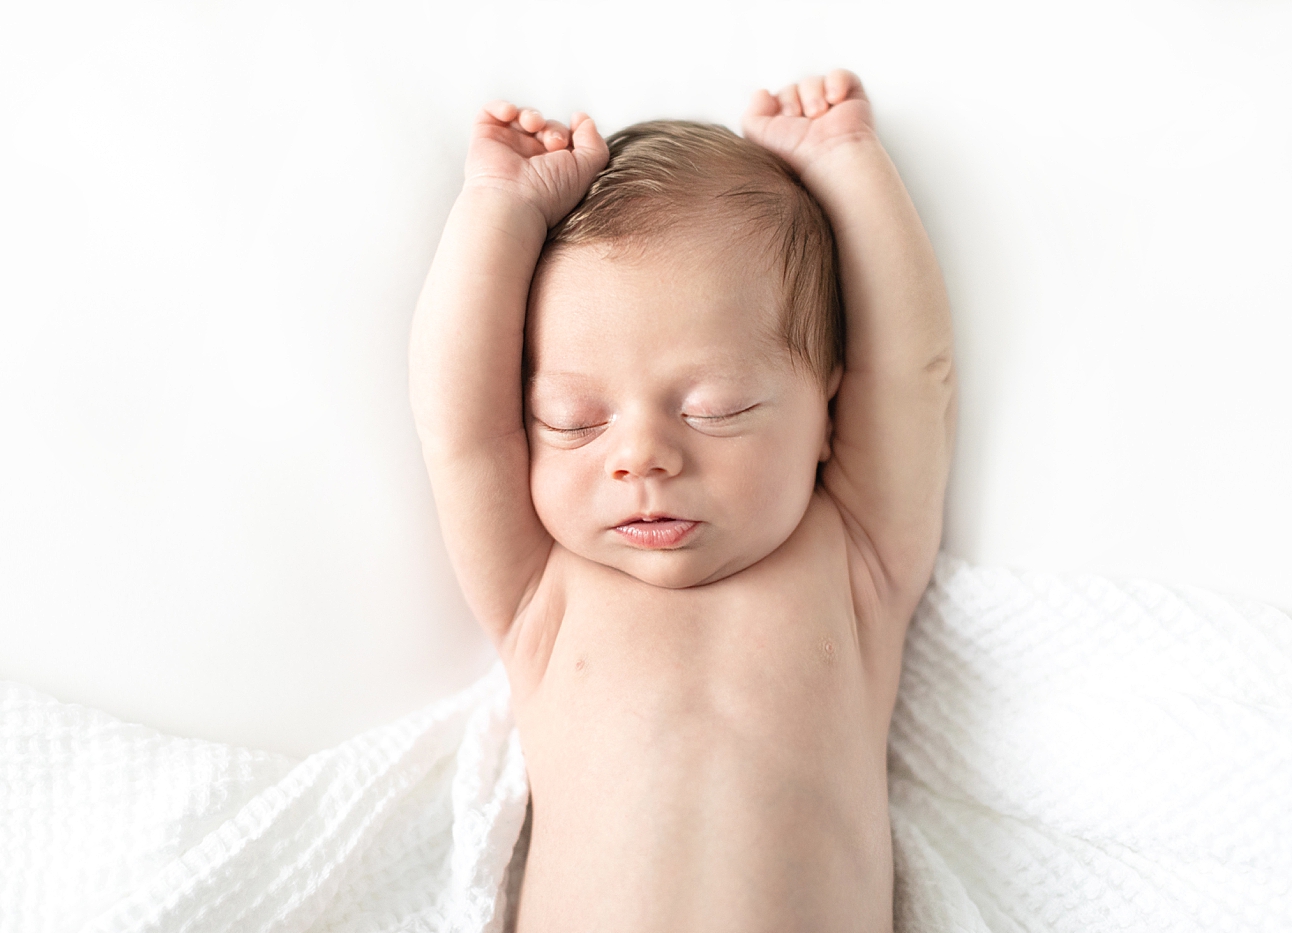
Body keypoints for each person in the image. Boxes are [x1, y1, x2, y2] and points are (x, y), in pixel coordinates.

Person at [409, 70, 955, 932]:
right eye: (574, 421)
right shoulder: (539, 593)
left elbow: (911, 376)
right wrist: (497, 211)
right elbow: (460, 425)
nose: (642, 457)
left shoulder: (856, 559)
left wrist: (849, 165)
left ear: (826, 417)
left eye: (716, 410)